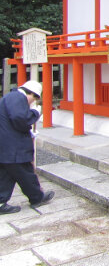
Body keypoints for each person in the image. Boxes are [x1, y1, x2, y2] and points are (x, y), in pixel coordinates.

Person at [0, 81, 55, 214]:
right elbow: (20, 119)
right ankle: (37, 197)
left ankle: (1, 202)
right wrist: (35, 113)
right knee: (25, 172)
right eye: (34, 98)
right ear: (31, 93)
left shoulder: (9, 97)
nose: (32, 102)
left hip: (6, 145)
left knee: (6, 175)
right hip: (14, 147)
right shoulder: (18, 98)